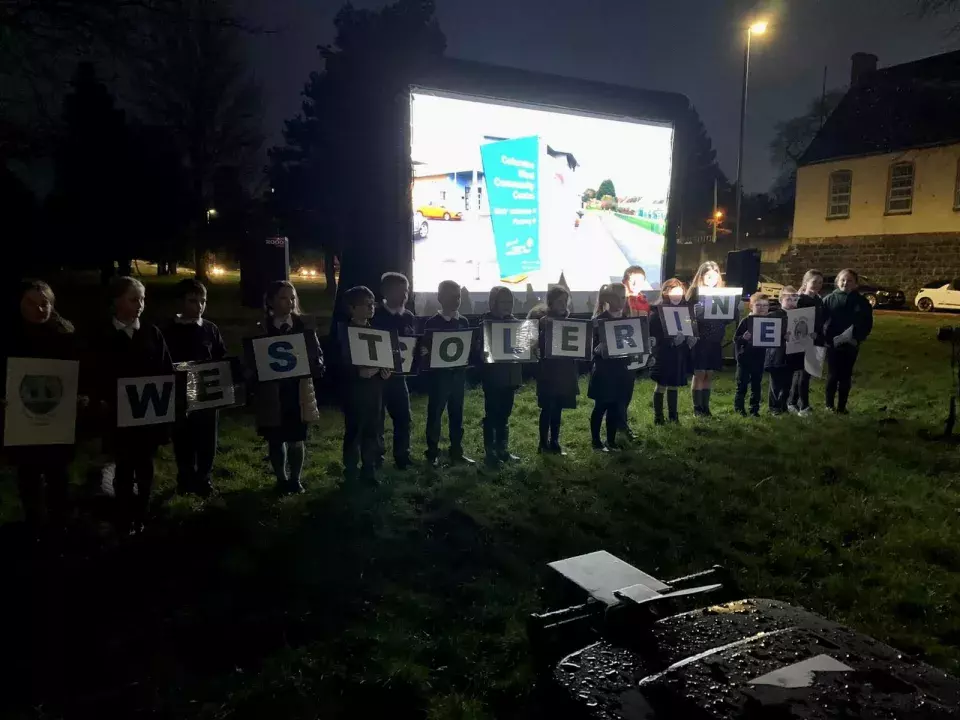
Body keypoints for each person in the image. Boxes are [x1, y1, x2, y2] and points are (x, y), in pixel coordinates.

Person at [1, 280, 83, 541]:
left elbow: (82, 372)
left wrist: (81, 395)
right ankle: (34, 525)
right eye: (31, 303)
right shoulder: (8, 337)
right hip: (23, 420)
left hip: (57, 419)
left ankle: (61, 523)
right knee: (28, 473)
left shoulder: (66, 335)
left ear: (52, 304)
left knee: (58, 473)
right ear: (19, 304)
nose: (39, 308)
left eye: (44, 302)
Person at [93, 276, 172, 534]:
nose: (140, 304)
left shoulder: (152, 333)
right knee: (124, 467)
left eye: (143, 299)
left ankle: (143, 512)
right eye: (134, 299)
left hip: (147, 415)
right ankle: (124, 514)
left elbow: (165, 371)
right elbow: (94, 374)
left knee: (145, 466)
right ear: (117, 301)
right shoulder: (103, 335)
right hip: (117, 418)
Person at [255, 280, 323, 494]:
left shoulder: (304, 327)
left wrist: (316, 365)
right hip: (273, 393)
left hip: (297, 391)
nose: (290, 302)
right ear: (271, 301)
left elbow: (317, 355)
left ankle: (295, 479)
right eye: (284, 298)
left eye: (292, 298)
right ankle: (281, 479)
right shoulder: (262, 329)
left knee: (296, 438)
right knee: (275, 438)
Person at [163, 278, 227, 497]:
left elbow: (220, 357)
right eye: (193, 301)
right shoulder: (167, 330)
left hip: (207, 394)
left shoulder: (210, 329)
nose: (199, 306)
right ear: (180, 302)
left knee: (207, 438)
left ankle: (204, 478)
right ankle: (185, 477)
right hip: (180, 395)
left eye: (203, 301)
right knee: (183, 438)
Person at [423, 280, 475, 466]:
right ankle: (432, 453)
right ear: (439, 298)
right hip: (439, 379)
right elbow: (426, 351)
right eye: (451, 296)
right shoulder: (432, 323)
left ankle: (456, 451)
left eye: (458, 296)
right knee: (435, 414)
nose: (456, 300)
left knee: (457, 414)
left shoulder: (464, 321)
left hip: (458, 378)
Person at [342, 286, 389, 483]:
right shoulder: (343, 333)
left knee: (373, 429)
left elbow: (384, 359)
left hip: (374, 390)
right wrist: (357, 372)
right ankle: (351, 470)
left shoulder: (377, 332)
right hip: (354, 391)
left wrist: (385, 371)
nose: (372, 307)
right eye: (366, 304)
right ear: (352, 308)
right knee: (354, 430)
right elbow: (338, 363)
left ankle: (369, 469)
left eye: (373, 304)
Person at [371, 272, 416, 470]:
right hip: (377, 378)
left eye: (406, 291)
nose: (404, 295)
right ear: (385, 292)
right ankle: (376, 457)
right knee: (377, 419)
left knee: (404, 417)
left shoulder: (408, 316)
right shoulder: (375, 315)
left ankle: (402, 456)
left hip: (399, 377)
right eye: (400, 291)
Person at [528, 285, 579, 455]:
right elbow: (532, 345)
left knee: (558, 408)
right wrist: (541, 328)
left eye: (565, 301)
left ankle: (555, 441)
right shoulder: (541, 321)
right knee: (548, 407)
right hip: (548, 372)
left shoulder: (570, 321)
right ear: (550, 302)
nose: (563, 304)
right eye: (559, 301)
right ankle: (543, 443)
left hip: (564, 372)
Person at [478, 286, 523, 467]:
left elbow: (523, 349)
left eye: (510, 302)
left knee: (505, 414)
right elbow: (478, 351)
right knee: (492, 414)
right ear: (493, 302)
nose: (507, 305)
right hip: (493, 378)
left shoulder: (517, 323)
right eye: (503, 301)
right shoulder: (485, 323)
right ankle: (490, 451)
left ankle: (503, 449)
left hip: (510, 377)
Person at [822, 268, 873, 414]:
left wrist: (858, 338)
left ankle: (842, 407)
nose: (846, 283)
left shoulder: (862, 302)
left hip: (851, 344)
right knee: (832, 375)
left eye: (850, 280)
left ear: (856, 284)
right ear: (837, 281)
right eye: (843, 280)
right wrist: (827, 338)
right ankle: (829, 405)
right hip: (832, 344)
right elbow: (821, 321)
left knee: (845, 376)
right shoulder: (829, 299)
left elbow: (867, 323)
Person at [589, 283, 632, 451]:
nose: (622, 301)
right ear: (608, 299)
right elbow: (589, 348)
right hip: (604, 371)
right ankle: (595, 441)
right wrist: (596, 349)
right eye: (618, 297)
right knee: (601, 406)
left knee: (616, 406)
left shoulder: (628, 320)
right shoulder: (598, 322)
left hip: (621, 371)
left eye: (624, 297)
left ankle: (611, 440)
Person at [649, 278, 693, 424]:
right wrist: (671, 341)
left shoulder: (685, 310)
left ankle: (674, 417)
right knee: (661, 385)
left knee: (674, 385)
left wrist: (689, 340)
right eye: (673, 292)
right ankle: (658, 417)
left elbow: (688, 328)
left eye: (680, 293)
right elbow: (654, 335)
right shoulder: (657, 312)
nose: (677, 296)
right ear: (665, 292)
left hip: (678, 354)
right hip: (663, 354)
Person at [686, 261, 726, 417]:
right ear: (701, 276)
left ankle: (705, 407)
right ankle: (697, 409)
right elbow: (686, 319)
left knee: (709, 373)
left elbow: (726, 319)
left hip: (715, 340)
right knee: (700, 373)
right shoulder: (694, 294)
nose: (711, 279)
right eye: (708, 276)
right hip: (700, 340)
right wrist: (696, 314)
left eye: (715, 276)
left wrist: (735, 311)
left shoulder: (721, 295)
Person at [788, 269, 825, 416]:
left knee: (807, 373)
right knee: (803, 373)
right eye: (814, 282)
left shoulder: (819, 300)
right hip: (802, 342)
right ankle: (803, 406)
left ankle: (793, 402)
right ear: (806, 282)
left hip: (816, 340)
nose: (817, 285)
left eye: (820, 282)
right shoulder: (800, 300)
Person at [764, 286, 800, 415]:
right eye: (788, 299)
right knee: (776, 383)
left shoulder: (799, 316)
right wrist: (781, 336)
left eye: (794, 299)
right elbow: (766, 334)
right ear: (781, 300)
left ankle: (783, 406)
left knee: (787, 383)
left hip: (791, 354)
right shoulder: (773, 316)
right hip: (776, 355)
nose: (791, 303)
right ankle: (774, 408)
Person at [734, 292, 769, 417]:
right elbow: (736, 339)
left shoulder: (768, 322)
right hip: (744, 358)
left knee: (756, 385)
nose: (762, 308)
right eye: (758, 305)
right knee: (742, 385)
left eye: (765, 306)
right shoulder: (746, 321)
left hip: (759, 358)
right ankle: (739, 409)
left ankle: (754, 409)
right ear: (751, 306)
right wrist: (743, 338)